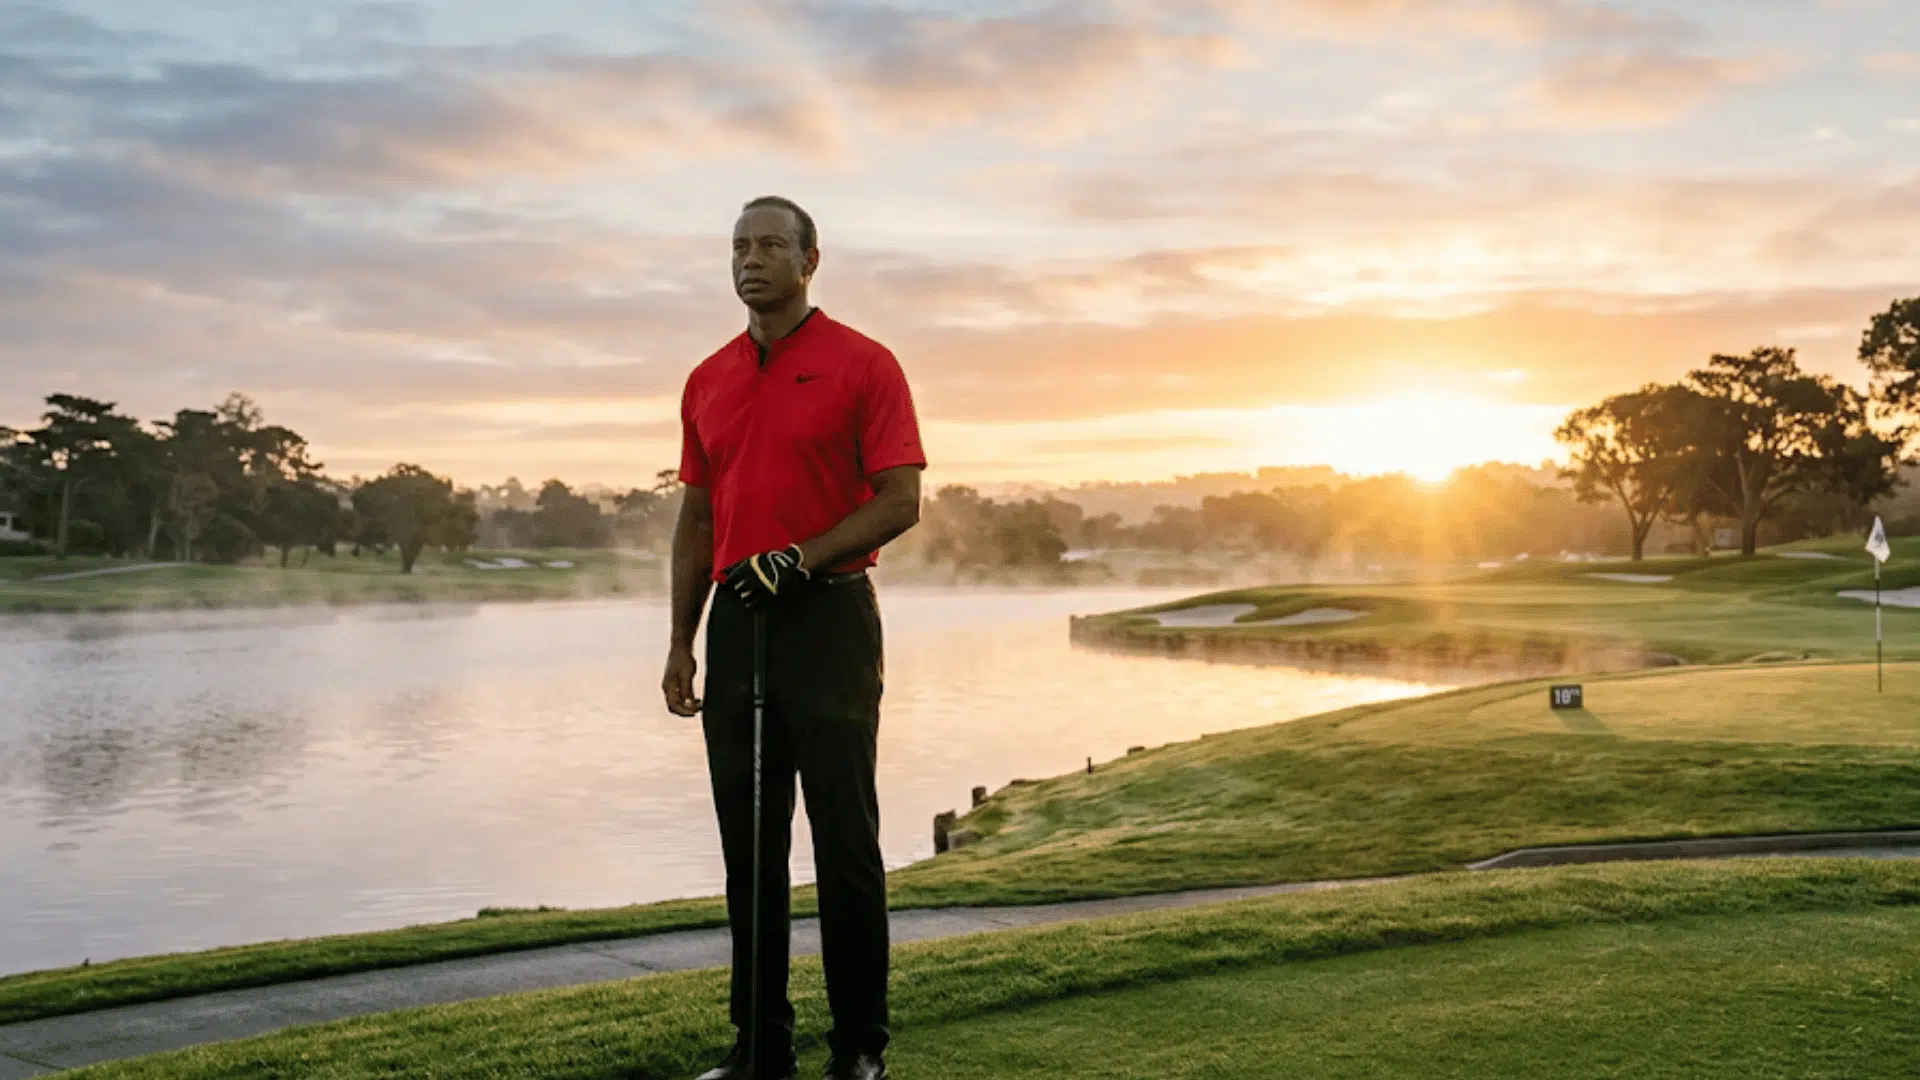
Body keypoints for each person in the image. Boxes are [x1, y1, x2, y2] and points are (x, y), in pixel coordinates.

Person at [660, 195, 925, 1080]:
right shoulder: (707, 378)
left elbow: (899, 501)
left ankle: (858, 1050)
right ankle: (760, 1049)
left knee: (845, 843)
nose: (751, 259)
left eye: (771, 244)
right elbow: (697, 518)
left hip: (830, 620)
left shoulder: (864, 364)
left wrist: (799, 559)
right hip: (739, 623)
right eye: (739, 245)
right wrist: (679, 640)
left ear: (812, 259)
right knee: (751, 848)